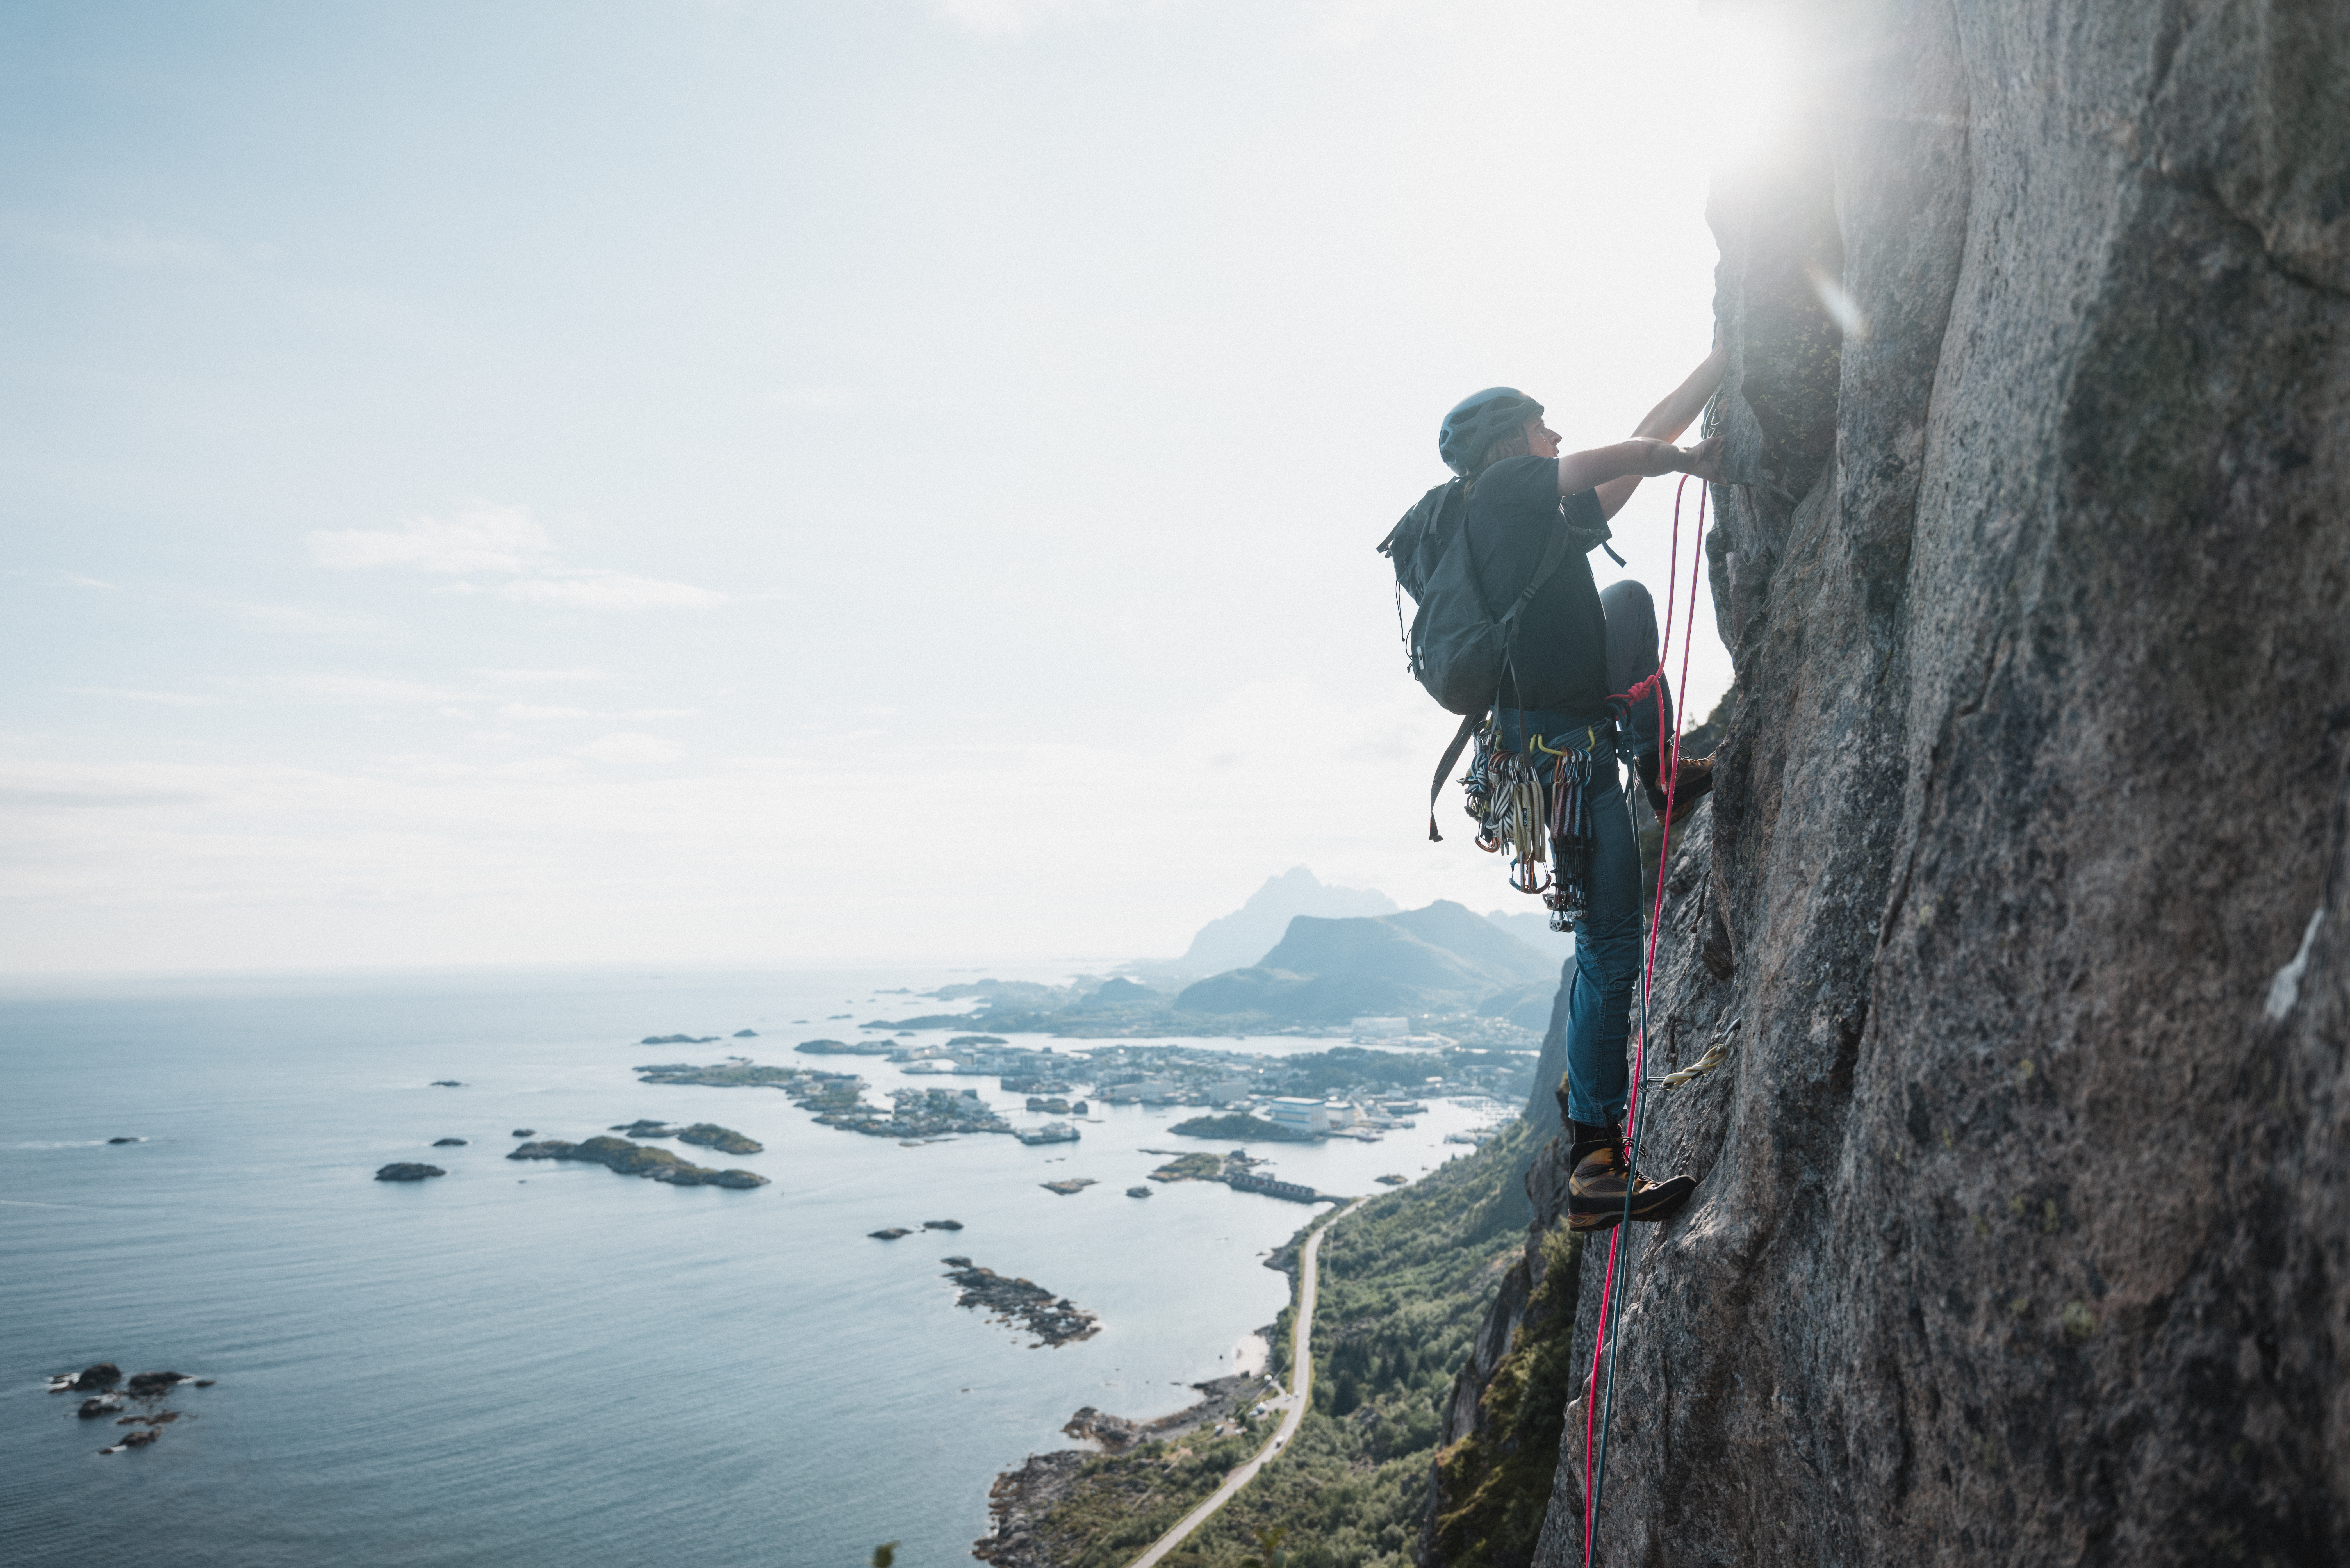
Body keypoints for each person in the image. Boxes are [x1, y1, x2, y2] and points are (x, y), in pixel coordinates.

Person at [1435, 334, 1725, 1232]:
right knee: (1608, 953)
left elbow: (1639, 442)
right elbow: (1629, 454)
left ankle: (1662, 771)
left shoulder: (1529, 524)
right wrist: (1693, 462)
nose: (1556, 437)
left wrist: (1720, 365)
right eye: (1542, 428)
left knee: (1627, 606)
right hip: (1564, 764)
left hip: (1563, 744)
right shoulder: (1502, 491)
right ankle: (1595, 1164)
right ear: (1510, 446)